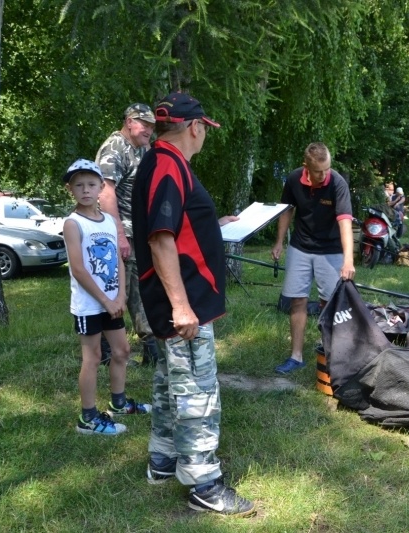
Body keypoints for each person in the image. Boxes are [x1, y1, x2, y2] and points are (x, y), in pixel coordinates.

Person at [130, 92, 254, 517]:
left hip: (176, 300)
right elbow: (161, 238)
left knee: (169, 384)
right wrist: (182, 307)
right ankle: (204, 484)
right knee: (198, 391)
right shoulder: (168, 164)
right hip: (183, 305)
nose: (204, 135)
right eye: (204, 129)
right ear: (194, 127)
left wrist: (212, 225)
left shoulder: (161, 160)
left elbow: (175, 225)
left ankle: (162, 461)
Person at [62, 159, 151, 436]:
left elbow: (119, 262)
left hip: (113, 302)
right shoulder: (73, 223)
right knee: (93, 356)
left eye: (91, 184)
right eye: (79, 185)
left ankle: (119, 403)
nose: (85, 190)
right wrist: (105, 301)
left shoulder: (111, 221)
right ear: (70, 189)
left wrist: (121, 295)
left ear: (102, 187)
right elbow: (78, 269)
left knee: (122, 351)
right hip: (90, 305)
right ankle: (87, 418)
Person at [271, 142, 356, 374]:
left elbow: (345, 222)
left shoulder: (337, 183)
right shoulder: (293, 179)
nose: (323, 174)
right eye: (318, 170)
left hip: (331, 250)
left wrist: (348, 259)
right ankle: (296, 357)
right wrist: (280, 241)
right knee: (297, 300)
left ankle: (333, 356)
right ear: (306, 166)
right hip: (300, 247)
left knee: (331, 304)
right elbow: (287, 210)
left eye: (327, 168)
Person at [96, 103, 161, 366]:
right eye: (143, 124)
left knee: (138, 288)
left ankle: (149, 346)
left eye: (152, 125)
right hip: (118, 233)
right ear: (129, 121)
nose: (149, 129)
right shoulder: (114, 148)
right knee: (117, 292)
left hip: (137, 231)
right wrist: (119, 236)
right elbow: (105, 193)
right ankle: (105, 351)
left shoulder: (141, 149)